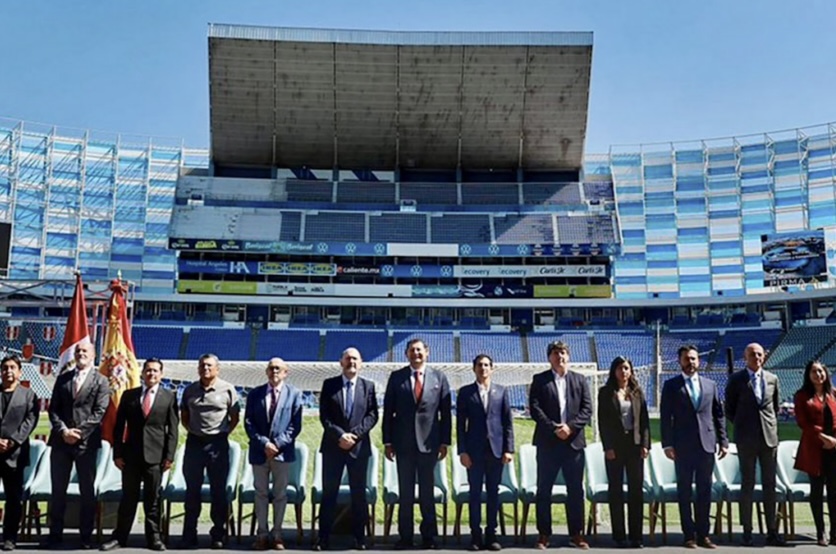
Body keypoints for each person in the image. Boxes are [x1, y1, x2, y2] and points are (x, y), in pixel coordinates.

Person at [100, 358, 179, 552]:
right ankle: (120, 537)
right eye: (148, 370)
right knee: (128, 498)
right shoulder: (129, 396)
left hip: (156, 457)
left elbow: (173, 430)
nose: (151, 374)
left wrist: (169, 456)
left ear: (161, 374)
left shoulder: (169, 397)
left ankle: (154, 538)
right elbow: (119, 427)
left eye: (155, 371)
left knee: (153, 500)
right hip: (131, 457)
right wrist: (117, 454)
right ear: (142, 373)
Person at [382, 338, 452, 550]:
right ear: (406, 354)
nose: (416, 354)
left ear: (427, 352)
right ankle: (405, 536)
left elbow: (445, 414)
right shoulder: (396, 377)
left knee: (426, 493)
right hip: (403, 444)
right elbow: (388, 412)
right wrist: (388, 441)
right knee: (405, 493)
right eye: (412, 350)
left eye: (419, 350)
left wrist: (445, 442)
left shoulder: (439, 377)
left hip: (429, 444)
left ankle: (429, 537)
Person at [659, 346, 728, 549]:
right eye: (687, 359)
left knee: (705, 491)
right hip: (682, 446)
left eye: (694, 359)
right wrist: (667, 444)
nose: (690, 363)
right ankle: (688, 534)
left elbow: (718, 415)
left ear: (699, 361)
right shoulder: (671, 386)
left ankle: (704, 534)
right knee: (685, 491)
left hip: (706, 445)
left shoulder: (710, 385)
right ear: (680, 361)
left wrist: (723, 441)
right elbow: (665, 417)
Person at [46, 341, 111, 549]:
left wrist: (79, 433)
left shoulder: (101, 381)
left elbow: (99, 412)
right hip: (61, 442)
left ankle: (85, 536)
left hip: (86, 444)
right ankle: (55, 534)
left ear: (93, 355)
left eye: (85, 351)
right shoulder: (63, 378)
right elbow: (53, 409)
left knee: (87, 491)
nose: (81, 353)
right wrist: (64, 431)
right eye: (78, 351)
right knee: (58, 490)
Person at [529, 340, 592, 550]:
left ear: (568, 356)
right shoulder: (540, 380)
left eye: (563, 352)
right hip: (548, 443)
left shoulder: (580, 379)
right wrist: (554, 428)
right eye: (556, 353)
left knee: (575, 490)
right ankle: (543, 534)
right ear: (549, 357)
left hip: (573, 444)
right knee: (543, 490)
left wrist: (570, 428)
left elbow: (587, 409)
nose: (560, 356)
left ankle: (577, 534)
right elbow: (535, 409)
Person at [315, 348, 379, 551]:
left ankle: (360, 538)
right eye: (348, 358)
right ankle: (323, 538)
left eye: (355, 359)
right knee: (329, 494)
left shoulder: (368, 386)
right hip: (333, 447)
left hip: (358, 449)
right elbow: (324, 416)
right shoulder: (329, 385)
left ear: (361, 363)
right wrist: (340, 435)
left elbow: (372, 415)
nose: (351, 362)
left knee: (359, 495)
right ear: (341, 362)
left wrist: (354, 435)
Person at [724, 342, 784, 546]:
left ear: (764, 356)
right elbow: (730, 409)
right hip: (746, 439)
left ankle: (772, 530)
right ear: (745, 357)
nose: (756, 358)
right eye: (752, 354)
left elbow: (774, 407)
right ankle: (747, 530)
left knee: (770, 484)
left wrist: (767, 426)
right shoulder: (736, 380)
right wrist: (743, 425)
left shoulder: (772, 379)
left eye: (759, 354)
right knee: (747, 484)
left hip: (769, 439)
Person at [180, 354, 241, 550]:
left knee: (218, 491)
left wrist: (221, 434)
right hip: (194, 444)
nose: (205, 369)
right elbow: (184, 416)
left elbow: (234, 418)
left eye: (209, 366)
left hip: (217, 445)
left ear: (217, 369)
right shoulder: (189, 390)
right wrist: (195, 432)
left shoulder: (228, 389)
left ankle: (218, 534)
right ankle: (189, 534)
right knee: (192, 491)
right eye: (202, 365)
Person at [456, 354, 514, 552]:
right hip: (474, 452)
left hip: (496, 451)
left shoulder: (501, 391)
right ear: (474, 368)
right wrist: (462, 451)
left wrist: (509, 449)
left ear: (492, 368)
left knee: (493, 494)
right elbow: (460, 425)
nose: (483, 368)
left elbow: (508, 423)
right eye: (480, 365)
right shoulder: (465, 392)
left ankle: (491, 534)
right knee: (474, 493)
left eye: (487, 365)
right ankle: (475, 535)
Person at [244, 357, 302, 551]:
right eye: (271, 368)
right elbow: (249, 423)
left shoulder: (294, 394)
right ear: (266, 372)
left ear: (286, 372)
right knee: (260, 493)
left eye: (278, 368)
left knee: (280, 495)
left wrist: (277, 444)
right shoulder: (255, 394)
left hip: (282, 454)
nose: (274, 371)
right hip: (259, 452)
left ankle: (277, 534)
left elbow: (295, 425)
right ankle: (262, 534)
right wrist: (264, 443)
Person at [597, 356, 650, 549]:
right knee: (616, 490)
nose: (623, 371)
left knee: (636, 491)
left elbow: (644, 421)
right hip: (615, 447)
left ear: (631, 371)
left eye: (626, 368)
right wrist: (607, 447)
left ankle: (636, 536)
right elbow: (603, 422)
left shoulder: (637, 392)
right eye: (620, 368)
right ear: (614, 371)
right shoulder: (605, 393)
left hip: (634, 446)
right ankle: (619, 535)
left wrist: (645, 444)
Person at [793, 360, 836, 546]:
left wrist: (833, 441)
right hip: (814, 449)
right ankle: (820, 532)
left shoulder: (833, 394)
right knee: (817, 492)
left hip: (833, 449)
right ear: (808, 375)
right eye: (814, 371)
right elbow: (803, 422)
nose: (818, 375)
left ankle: (835, 532)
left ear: (826, 373)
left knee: (834, 492)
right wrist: (823, 437)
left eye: (821, 371)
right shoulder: (802, 396)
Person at [0, 355, 40, 551]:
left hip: (15, 454)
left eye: (12, 368)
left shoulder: (28, 395)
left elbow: (30, 421)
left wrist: (12, 441)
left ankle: (10, 537)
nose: (8, 371)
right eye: (5, 368)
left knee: (13, 499)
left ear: (19, 371)